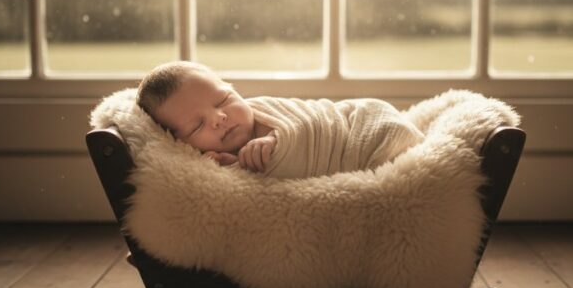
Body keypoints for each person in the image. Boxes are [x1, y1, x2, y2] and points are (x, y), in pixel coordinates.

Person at [136, 61, 424, 179]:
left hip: (362, 125)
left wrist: (275, 141)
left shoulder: (263, 112)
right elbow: (249, 192)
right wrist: (233, 166)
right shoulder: (210, 161)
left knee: (401, 174)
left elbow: (308, 124)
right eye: (198, 125)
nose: (219, 117)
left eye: (223, 100)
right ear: (178, 142)